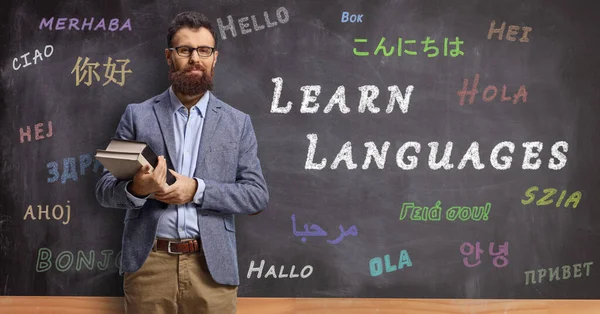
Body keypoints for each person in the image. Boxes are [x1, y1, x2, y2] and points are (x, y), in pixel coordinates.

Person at [95, 11, 269, 314]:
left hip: (212, 269)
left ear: (215, 57)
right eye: (184, 49)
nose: (194, 59)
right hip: (149, 266)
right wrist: (137, 189)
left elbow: (256, 195)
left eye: (204, 50)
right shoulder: (138, 116)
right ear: (168, 56)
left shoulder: (237, 123)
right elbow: (104, 189)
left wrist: (197, 190)